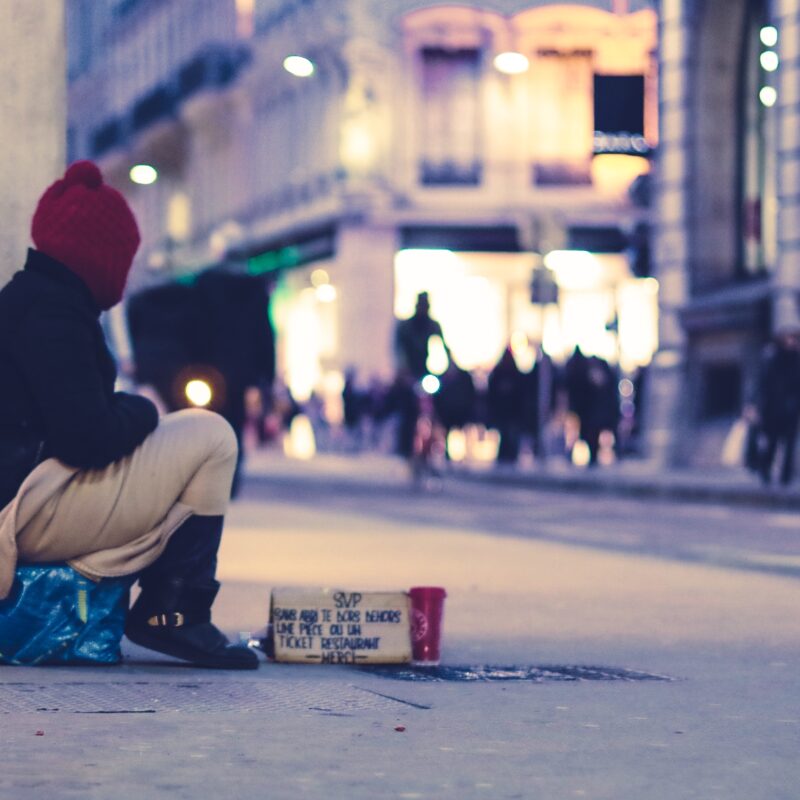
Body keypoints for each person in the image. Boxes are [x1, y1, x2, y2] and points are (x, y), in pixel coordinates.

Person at [0, 161, 257, 669]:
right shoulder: (52, 314)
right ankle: (175, 612)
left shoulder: (33, 300)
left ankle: (172, 605)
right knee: (211, 435)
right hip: (23, 512)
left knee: (191, 430)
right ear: (100, 254)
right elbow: (87, 438)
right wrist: (140, 409)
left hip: (26, 494)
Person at [754, 326, 800, 485]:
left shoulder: (796, 360)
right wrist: (756, 406)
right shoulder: (771, 358)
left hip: (792, 410)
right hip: (772, 410)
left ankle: (785, 478)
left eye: (795, 339)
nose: (792, 342)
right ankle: (765, 472)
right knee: (771, 442)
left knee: (789, 444)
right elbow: (762, 384)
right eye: (789, 338)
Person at [394, 292, 448, 381]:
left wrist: (450, 368)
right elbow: (398, 349)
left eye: (425, 306)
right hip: (408, 370)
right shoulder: (405, 327)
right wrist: (402, 367)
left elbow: (444, 347)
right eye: (422, 305)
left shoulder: (432, 325)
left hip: (425, 370)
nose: (423, 309)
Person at [487, 347, 526, 465]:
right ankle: (506, 456)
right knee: (505, 434)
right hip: (505, 411)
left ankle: (508, 456)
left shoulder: (508, 373)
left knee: (510, 435)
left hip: (510, 412)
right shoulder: (502, 373)